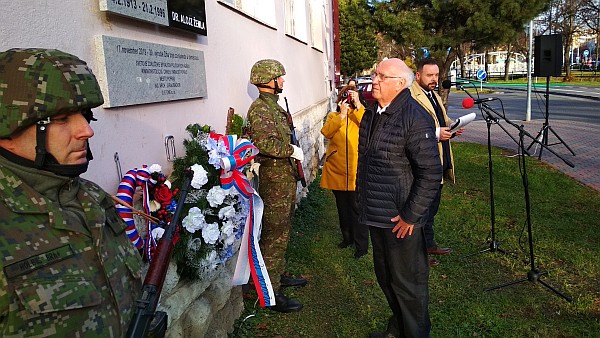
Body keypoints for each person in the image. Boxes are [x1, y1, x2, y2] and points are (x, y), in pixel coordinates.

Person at [0, 48, 143, 336]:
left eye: (85, 115)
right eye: (62, 118)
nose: (86, 131)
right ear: (9, 127)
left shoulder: (91, 197)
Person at [356, 58, 442, 338]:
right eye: (375, 74)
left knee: (408, 285)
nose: (375, 80)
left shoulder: (415, 117)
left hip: (401, 218)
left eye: (382, 76)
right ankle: (399, 328)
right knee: (386, 279)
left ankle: (416, 333)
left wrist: (410, 216)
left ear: (401, 83)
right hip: (377, 215)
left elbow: (430, 174)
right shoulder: (372, 112)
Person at [246, 59, 307, 313]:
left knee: (282, 230)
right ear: (266, 81)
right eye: (279, 77)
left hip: (284, 177)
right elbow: (265, 145)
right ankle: (269, 293)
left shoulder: (274, 106)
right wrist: (291, 150)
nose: (282, 81)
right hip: (274, 180)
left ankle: (276, 274)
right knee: (274, 234)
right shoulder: (260, 109)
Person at [409, 58, 463, 267]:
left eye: (436, 75)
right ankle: (419, 254)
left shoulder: (433, 95)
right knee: (420, 211)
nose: (434, 79)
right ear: (418, 75)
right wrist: (436, 133)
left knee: (432, 209)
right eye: (430, 75)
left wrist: (453, 126)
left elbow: (442, 119)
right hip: (423, 162)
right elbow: (410, 130)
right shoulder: (411, 97)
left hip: (438, 159)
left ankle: (429, 244)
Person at [320, 84, 369, 258]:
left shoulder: (361, 116)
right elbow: (326, 132)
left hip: (356, 171)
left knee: (357, 209)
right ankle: (347, 238)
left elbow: (368, 126)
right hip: (337, 170)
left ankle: (361, 245)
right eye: (345, 97)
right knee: (342, 208)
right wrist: (341, 115)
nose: (347, 100)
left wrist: (358, 105)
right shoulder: (334, 116)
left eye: (351, 97)